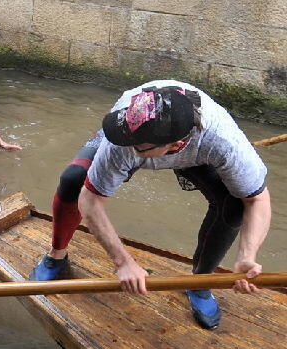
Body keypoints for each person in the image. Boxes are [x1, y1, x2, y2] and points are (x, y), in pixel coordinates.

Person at [28, 81, 271, 330]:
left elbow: (257, 199)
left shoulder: (224, 143)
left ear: (176, 147)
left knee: (233, 205)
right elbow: (89, 200)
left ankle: (200, 283)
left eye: (136, 146)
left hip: (195, 150)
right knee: (72, 180)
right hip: (142, 133)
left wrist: (247, 256)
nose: (125, 147)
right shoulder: (124, 139)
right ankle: (56, 257)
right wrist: (123, 262)